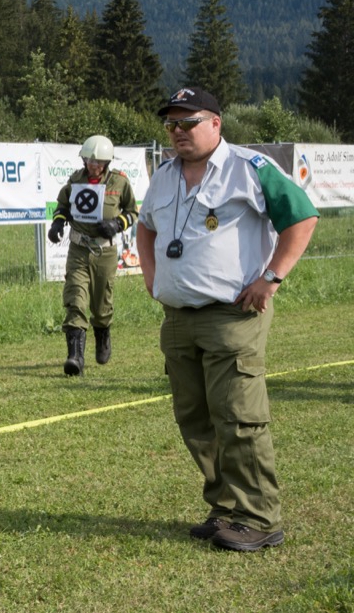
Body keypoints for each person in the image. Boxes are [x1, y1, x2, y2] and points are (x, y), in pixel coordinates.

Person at [136, 86, 318, 552]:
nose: (178, 131)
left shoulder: (249, 167)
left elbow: (301, 217)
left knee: (239, 417)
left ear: (216, 123)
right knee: (195, 419)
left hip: (232, 315)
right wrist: (153, 279)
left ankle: (259, 518)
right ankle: (226, 508)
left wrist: (272, 278)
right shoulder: (164, 175)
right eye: (171, 124)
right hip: (178, 318)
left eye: (188, 122)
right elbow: (146, 227)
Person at [47, 135, 138, 376]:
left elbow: (132, 211)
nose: (92, 165)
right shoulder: (75, 180)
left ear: (107, 162)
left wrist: (117, 224)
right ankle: (75, 357)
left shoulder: (119, 182)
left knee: (102, 304)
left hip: (105, 251)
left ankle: (103, 332)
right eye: (88, 160)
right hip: (78, 249)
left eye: (97, 161)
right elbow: (62, 205)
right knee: (75, 298)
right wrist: (58, 223)